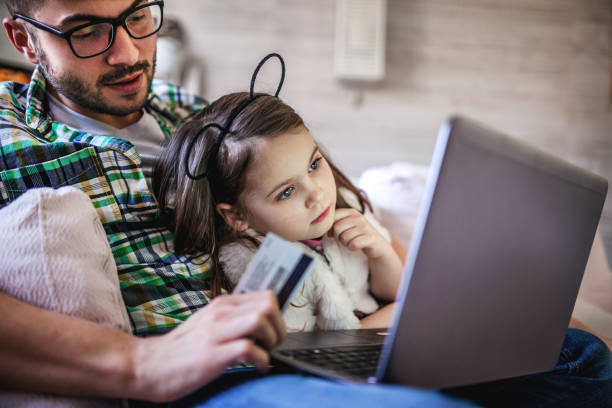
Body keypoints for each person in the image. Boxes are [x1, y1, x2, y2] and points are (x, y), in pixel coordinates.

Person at [0, 1, 610, 407]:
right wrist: (140, 364)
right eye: (86, 30)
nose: (128, 51)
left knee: (576, 351)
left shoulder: (185, 107)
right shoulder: (10, 136)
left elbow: (320, 202)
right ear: (23, 37)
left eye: (139, 15)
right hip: (208, 379)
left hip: (300, 349)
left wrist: (420, 304)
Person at [153, 59, 403, 332]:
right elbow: (300, 350)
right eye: (286, 192)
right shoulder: (261, 270)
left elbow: (396, 292)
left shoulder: (348, 206)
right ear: (236, 215)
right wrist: (398, 314)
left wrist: (380, 253)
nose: (316, 194)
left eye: (314, 165)